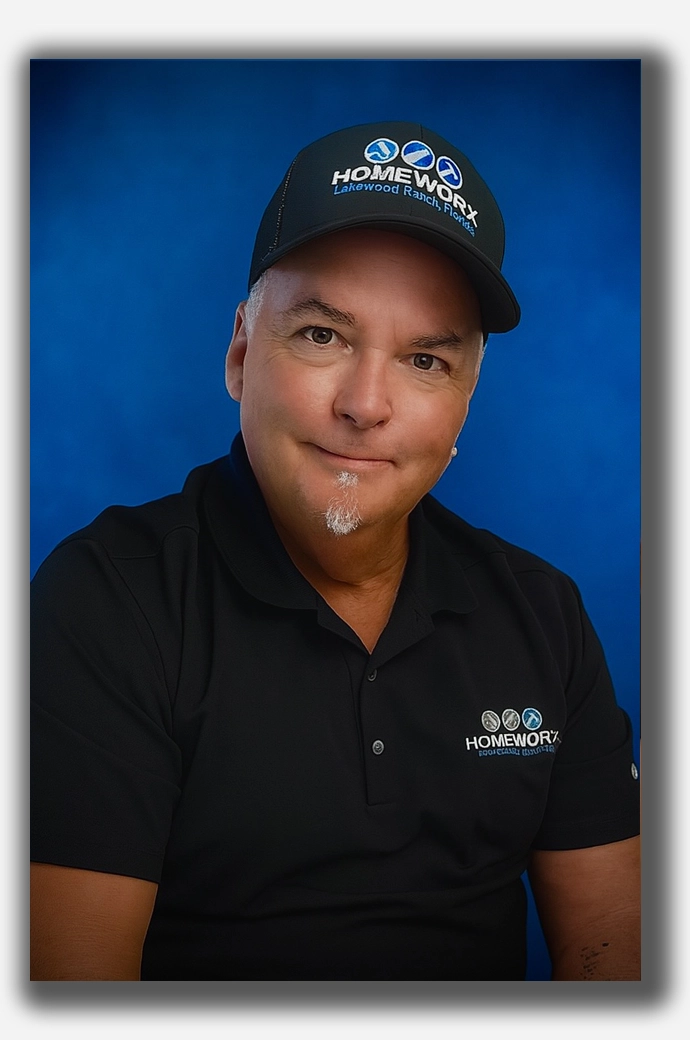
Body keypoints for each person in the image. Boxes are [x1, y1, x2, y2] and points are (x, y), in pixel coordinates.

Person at [30, 121, 640, 981]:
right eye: (323, 335)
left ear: (464, 403)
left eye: (425, 359)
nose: (366, 404)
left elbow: (621, 972)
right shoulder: (107, 599)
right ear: (242, 351)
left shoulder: (542, 613)